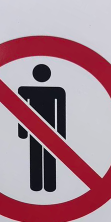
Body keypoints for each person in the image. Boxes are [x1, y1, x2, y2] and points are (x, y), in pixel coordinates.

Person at [18, 64, 66, 192]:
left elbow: (61, 112)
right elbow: (21, 111)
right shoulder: (56, 91)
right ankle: (42, 186)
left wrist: (22, 132)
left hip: (42, 130)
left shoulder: (57, 91)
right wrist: (61, 134)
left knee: (39, 156)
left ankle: (40, 185)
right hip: (41, 130)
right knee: (39, 157)